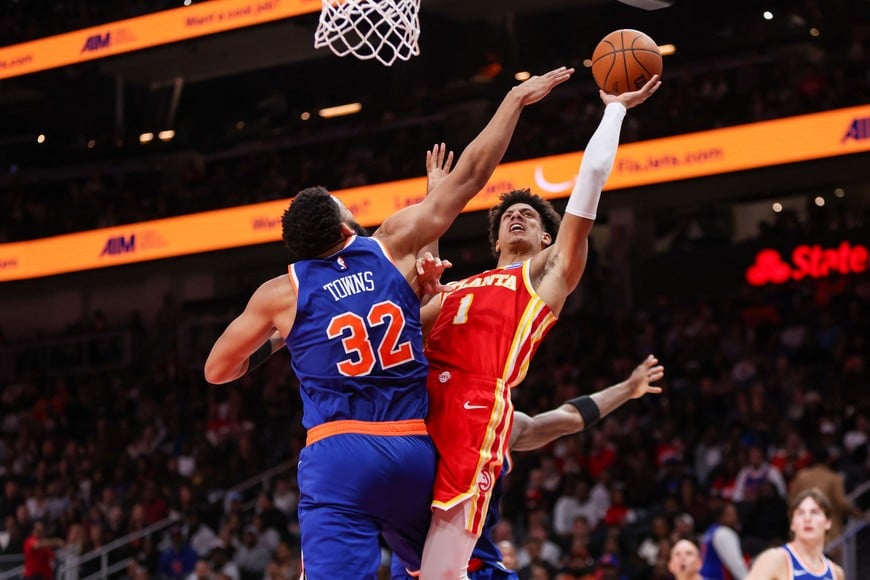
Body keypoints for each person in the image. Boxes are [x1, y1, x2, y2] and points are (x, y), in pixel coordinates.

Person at [203, 66, 575, 579]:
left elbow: (219, 370)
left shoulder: (281, 294)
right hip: (410, 450)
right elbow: (471, 175)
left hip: (338, 453)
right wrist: (513, 100)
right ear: (341, 225)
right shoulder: (388, 246)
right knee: (447, 569)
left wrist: (282, 339)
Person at [417, 74, 661, 578]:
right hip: (413, 406)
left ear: (550, 238)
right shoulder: (463, 286)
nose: (518, 217)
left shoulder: (547, 274)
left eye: (530, 215)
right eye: (510, 215)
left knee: (442, 566)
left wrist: (614, 111)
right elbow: (420, 297)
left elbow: (589, 186)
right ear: (495, 238)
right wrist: (433, 204)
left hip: (474, 408)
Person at [392, 355, 665, 579]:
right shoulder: (405, 428)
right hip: (413, 568)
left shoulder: (496, 426)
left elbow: (568, 418)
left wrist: (628, 389)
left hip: (475, 567)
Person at [744, 488, 845, 580]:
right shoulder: (776, 559)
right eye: (801, 513)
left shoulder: (836, 573)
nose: (807, 518)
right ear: (792, 524)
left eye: (814, 512)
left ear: (828, 522)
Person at [698, 501, 749, 580]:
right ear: (721, 516)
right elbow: (735, 563)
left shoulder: (710, 530)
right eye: (730, 514)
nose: (735, 517)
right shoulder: (724, 533)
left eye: (735, 514)